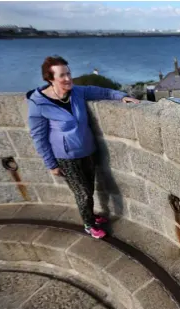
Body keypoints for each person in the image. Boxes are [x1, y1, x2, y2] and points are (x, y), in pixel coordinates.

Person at [27, 56, 139, 238]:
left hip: (87, 150)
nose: (68, 78)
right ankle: (88, 224)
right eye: (62, 75)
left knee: (88, 188)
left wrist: (122, 96)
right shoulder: (38, 103)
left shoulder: (77, 92)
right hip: (66, 156)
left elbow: (102, 92)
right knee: (83, 193)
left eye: (68, 73)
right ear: (50, 79)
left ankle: (91, 214)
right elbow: (38, 136)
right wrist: (51, 164)